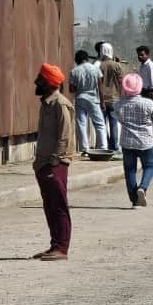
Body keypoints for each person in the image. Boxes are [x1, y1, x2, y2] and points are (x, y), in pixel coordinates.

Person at [32, 63, 76, 261]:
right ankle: (54, 245)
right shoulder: (46, 104)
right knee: (49, 205)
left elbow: (65, 137)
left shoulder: (61, 104)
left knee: (58, 205)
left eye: (40, 80)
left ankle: (61, 247)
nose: (36, 83)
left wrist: (54, 160)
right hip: (43, 163)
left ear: (49, 83)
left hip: (55, 164)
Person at [114, 73, 153, 208]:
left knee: (130, 170)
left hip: (127, 142)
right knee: (150, 166)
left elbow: (119, 119)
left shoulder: (119, 105)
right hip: (145, 142)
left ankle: (135, 200)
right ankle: (143, 187)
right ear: (140, 87)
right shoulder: (149, 104)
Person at [69, 50, 107, 154]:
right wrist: (102, 101)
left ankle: (84, 149)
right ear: (86, 58)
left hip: (80, 98)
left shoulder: (74, 71)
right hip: (94, 99)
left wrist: (80, 86)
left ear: (77, 59)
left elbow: (71, 89)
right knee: (100, 124)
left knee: (81, 123)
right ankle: (103, 147)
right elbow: (100, 86)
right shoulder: (95, 69)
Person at [98, 43, 124, 151]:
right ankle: (115, 147)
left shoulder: (99, 66)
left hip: (102, 99)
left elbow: (98, 84)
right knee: (114, 124)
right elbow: (121, 81)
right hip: (115, 99)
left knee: (102, 125)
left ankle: (106, 145)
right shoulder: (117, 65)